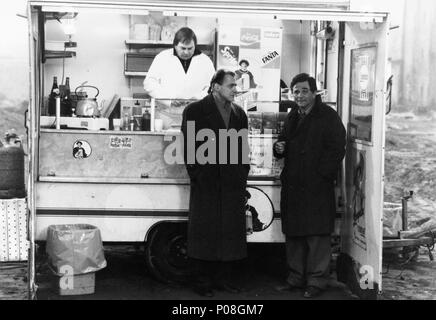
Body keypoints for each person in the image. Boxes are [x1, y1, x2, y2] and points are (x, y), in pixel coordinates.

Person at [273, 73, 346, 299]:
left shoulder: (328, 116)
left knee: (317, 235)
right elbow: (282, 141)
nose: (300, 95)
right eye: (296, 91)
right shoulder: (293, 114)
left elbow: (337, 147)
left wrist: (323, 174)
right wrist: (279, 148)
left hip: (316, 184)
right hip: (294, 183)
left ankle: (317, 281)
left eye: (305, 91)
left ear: (314, 93)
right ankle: (296, 278)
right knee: (294, 233)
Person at [181, 69, 250, 297]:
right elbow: (189, 147)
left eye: (235, 86)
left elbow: (243, 149)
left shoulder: (240, 114)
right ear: (216, 86)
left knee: (229, 233)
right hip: (207, 180)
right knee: (205, 233)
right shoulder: (195, 111)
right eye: (231, 85)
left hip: (232, 182)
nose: (235, 89)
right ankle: (202, 281)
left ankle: (223, 279)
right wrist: (198, 175)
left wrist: (242, 173)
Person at [143, 27, 215, 100]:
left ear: (195, 46)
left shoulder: (205, 61)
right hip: (167, 109)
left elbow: (213, 86)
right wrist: (169, 99)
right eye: (183, 48)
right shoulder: (162, 58)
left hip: (197, 109)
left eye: (190, 48)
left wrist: (198, 98)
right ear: (175, 45)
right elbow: (149, 83)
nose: (186, 52)